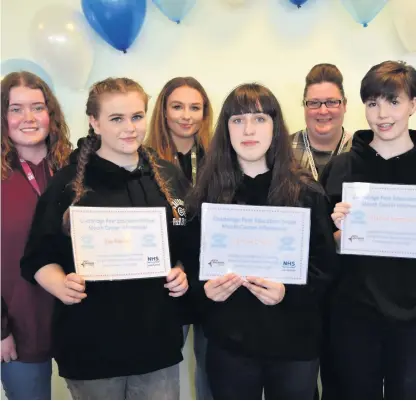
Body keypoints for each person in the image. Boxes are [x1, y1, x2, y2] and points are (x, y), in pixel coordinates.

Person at [20, 77, 192, 400]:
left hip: (156, 346)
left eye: (137, 116)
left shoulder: (167, 176)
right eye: (116, 119)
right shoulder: (68, 183)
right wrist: (60, 284)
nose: (130, 128)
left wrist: (182, 272)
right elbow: (37, 256)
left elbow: (186, 247)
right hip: (90, 347)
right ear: (94, 122)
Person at [186, 83, 338, 400]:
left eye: (259, 119)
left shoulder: (306, 193)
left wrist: (289, 291)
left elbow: (326, 269)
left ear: (275, 127)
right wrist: (205, 291)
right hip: (231, 345)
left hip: (295, 343)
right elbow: (188, 268)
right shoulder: (206, 197)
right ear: (225, 129)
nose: (248, 130)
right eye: (238, 120)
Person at [320, 60, 416, 399]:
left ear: (412, 105)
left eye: (393, 101)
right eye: (372, 103)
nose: (382, 113)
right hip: (355, 312)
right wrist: (336, 231)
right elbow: (322, 246)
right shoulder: (343, 165)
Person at [1, 71, 72, 400]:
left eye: (37, 107)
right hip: (18, 324)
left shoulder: (76, 171)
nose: (28, 118)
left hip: (79, 319)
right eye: (16, 109)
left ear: (51, 114)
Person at [146, 76, 214, 399]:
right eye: (177, 106)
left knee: (212, 370)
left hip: (210, 280)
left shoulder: (219, 159)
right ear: (163, 111)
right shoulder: (143, 161)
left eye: (194, 107)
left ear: (205, 113)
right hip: (167, 282)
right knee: (160, 376)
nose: (186, 115)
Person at [291, 63, 353, 181]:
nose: (323, 111)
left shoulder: (360, 150)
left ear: (344, 105)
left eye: (331, 102)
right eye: (314, 103)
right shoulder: (283, 151)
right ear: (304, 106)